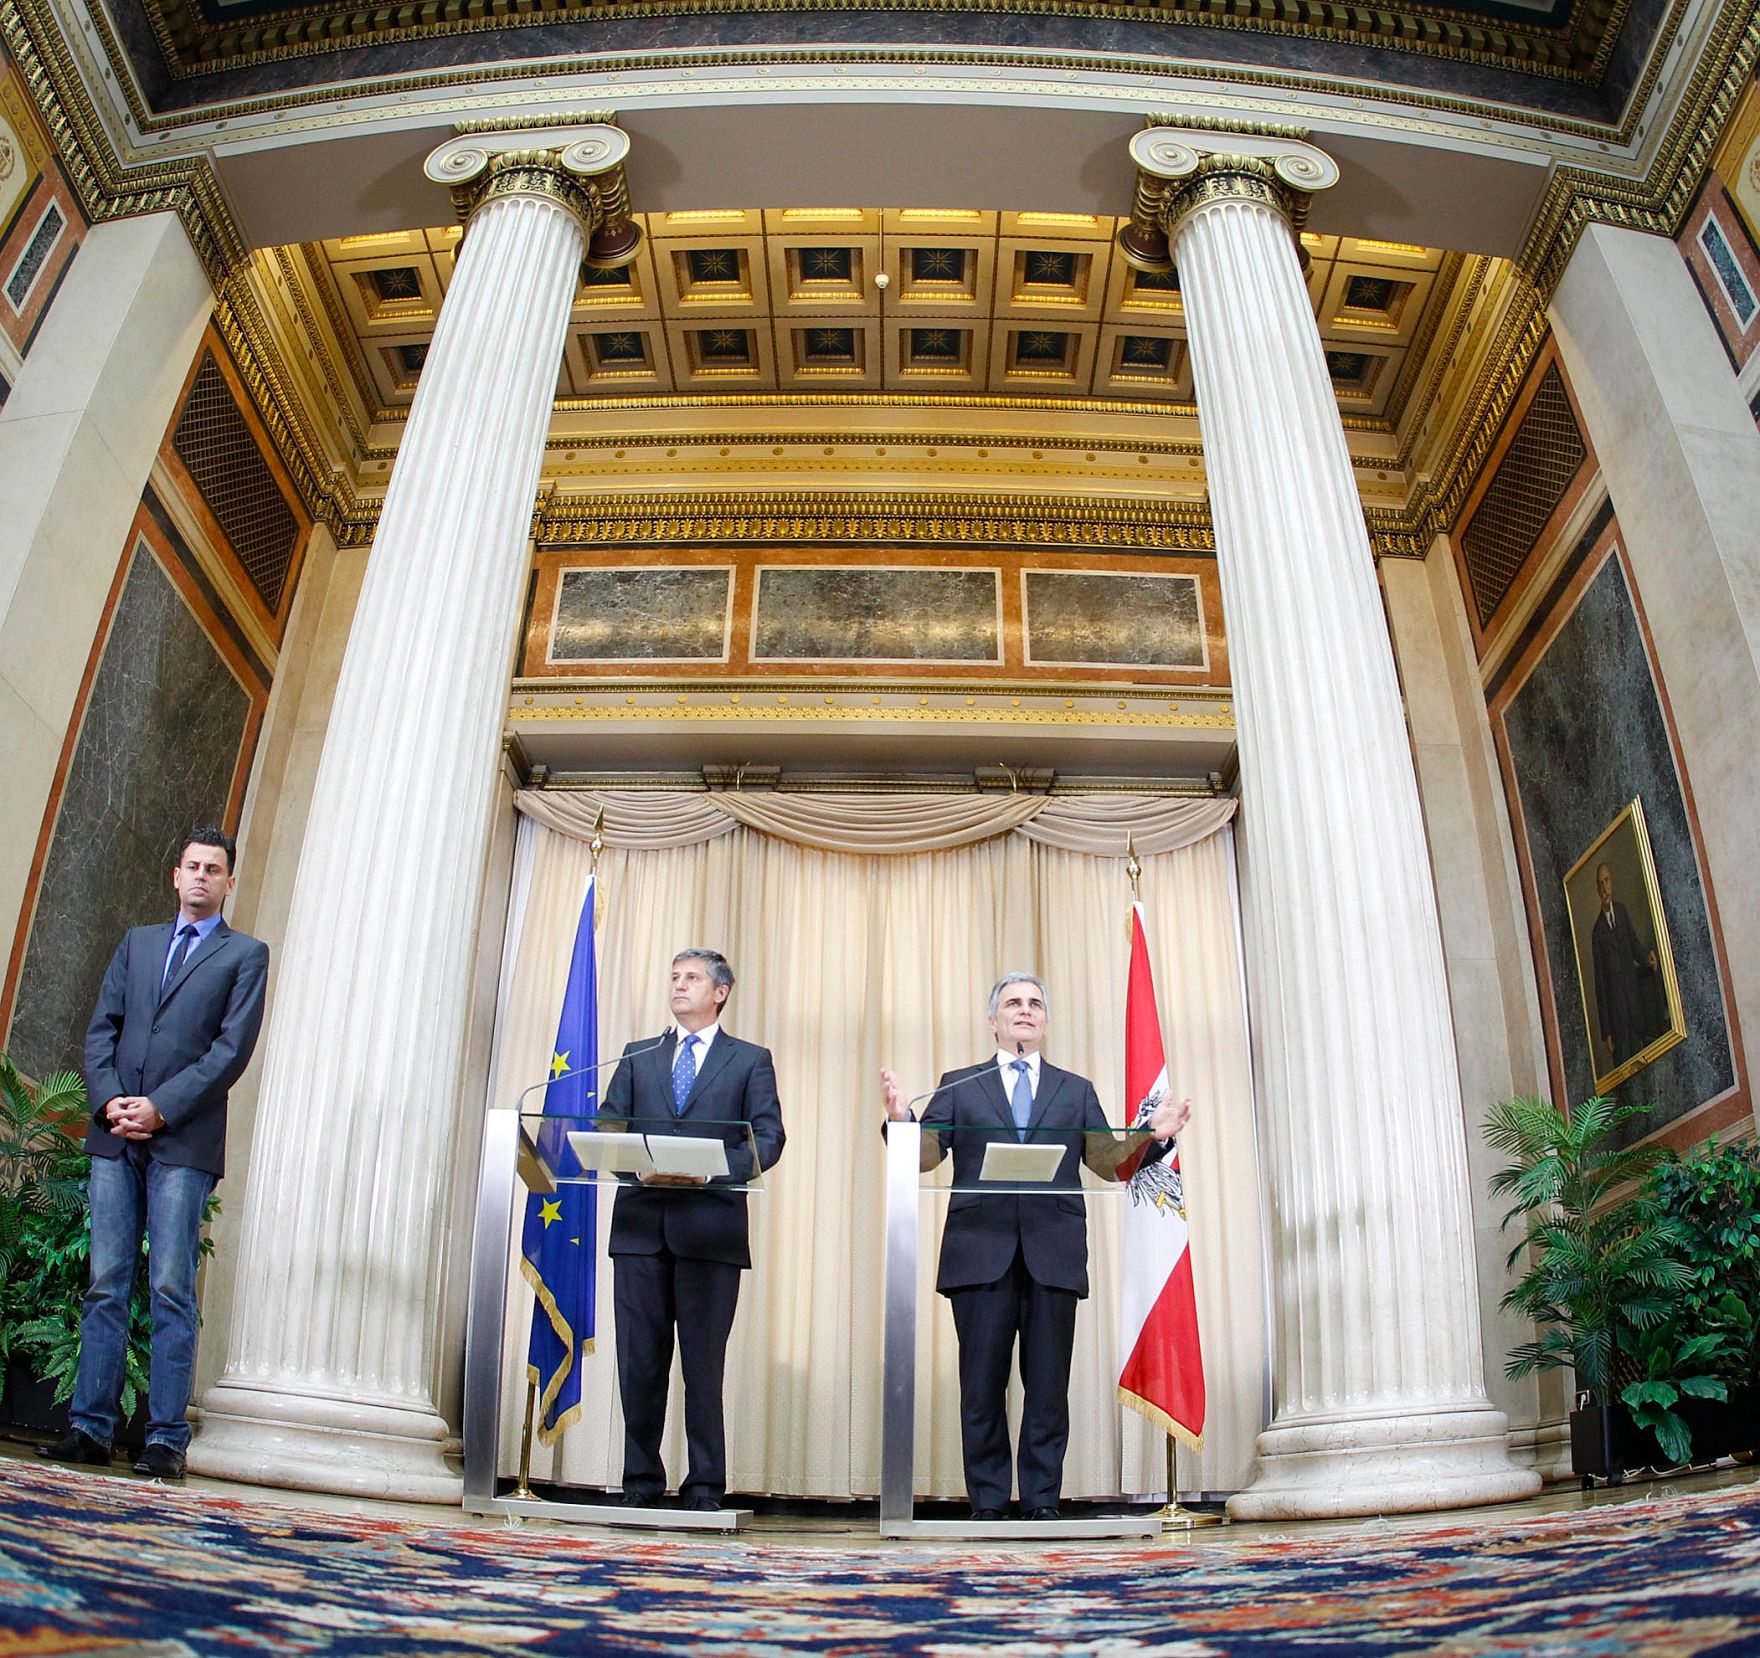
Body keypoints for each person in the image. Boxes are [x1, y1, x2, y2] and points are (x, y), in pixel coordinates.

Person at [881, 971, 1190, 1521]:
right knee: (981, 1388)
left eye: (1034, 1004)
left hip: (1053, 1254)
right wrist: (903, 1119)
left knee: (1047, 1389)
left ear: (1044, 1022)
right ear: (993, 1020)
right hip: (980, 1254)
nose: (1024, 1011)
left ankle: (1043, 1501)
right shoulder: (958, 1084)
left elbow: (1105, 1162)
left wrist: (1153, 1136)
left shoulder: (1076, 1091)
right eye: (1012, 1003)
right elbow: (925, 1156)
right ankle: (989, 1504)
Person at [39, 826, 269, 1481]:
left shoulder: (245, 955)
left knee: (170, 1289)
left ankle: (165, 1440)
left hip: (183, 1142)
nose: (200, 876)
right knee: (106, 1285)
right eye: (191, 865)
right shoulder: (136, 945)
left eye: (213, 869)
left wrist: (160, 1107)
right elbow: (101, 1030)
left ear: (229, 882)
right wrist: (112, 1099)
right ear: (176, 875)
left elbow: (230, 1052)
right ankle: (89, 1430)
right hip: (115, 1136)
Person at [600, 948, 785, 1511]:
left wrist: (709, 1169)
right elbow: (610, 1122)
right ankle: (640, 1484)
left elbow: (769, 1138)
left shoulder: (750, 1059)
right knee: (640, 1364)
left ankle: (705, 1486)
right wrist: (635, 1165)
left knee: (703, 1367)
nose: (679, 986)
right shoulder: (639, 1055)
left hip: (710, 1233)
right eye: (674, 977)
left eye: (692, 978)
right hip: (641, 1229)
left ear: (720, 992)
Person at [1590, 861, 1659, 1067]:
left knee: (1645, 1060)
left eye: (1607, 880)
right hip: (1617, 1019)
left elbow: (1634, 944)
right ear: (1597, 890)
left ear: (1612, 883)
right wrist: (1606, 1032)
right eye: (1600, 883)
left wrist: (1647, 959)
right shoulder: (1597, 932)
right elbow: (1600, 985)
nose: (1604, 887)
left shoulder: (1622, 912)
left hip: (1634, 1004)